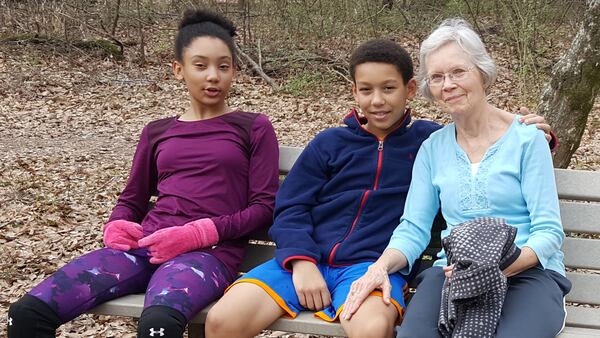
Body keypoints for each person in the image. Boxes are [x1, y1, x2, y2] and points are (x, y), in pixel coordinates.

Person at [205, 37, 554, 338]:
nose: (377, 101)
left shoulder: (428, 142)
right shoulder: (329, 144)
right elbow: (291, 207)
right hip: (302, 262)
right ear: (354, 91)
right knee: (222, 321)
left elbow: (481, 137)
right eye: (366, 90)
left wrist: (539, 135)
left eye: (389, 89)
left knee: (372, 330)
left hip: (369, 264)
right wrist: (301, 261)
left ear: (411, 90)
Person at [7, 9, 279, 338]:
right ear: (178, 70)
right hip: (144, 248)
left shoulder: (253, 127)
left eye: (223, 66)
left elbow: (263, 208)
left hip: (208, 255)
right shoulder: (157, 131)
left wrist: (198, 234)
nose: (213, 76)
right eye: (200, 65)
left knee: (158, 327)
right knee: (26, 314)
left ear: (234, 71)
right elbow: (132, 198)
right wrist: (118, 224)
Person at [341, 19, 571, 338]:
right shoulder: (433, 148)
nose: (448, 84)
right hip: (451, 273)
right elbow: (413, 228)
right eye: (437, 77)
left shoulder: (527, 140)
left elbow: (548, 231)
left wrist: (492, 269)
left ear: (482, 72)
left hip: (528, 274)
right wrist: (379, 267)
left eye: (458, 72)